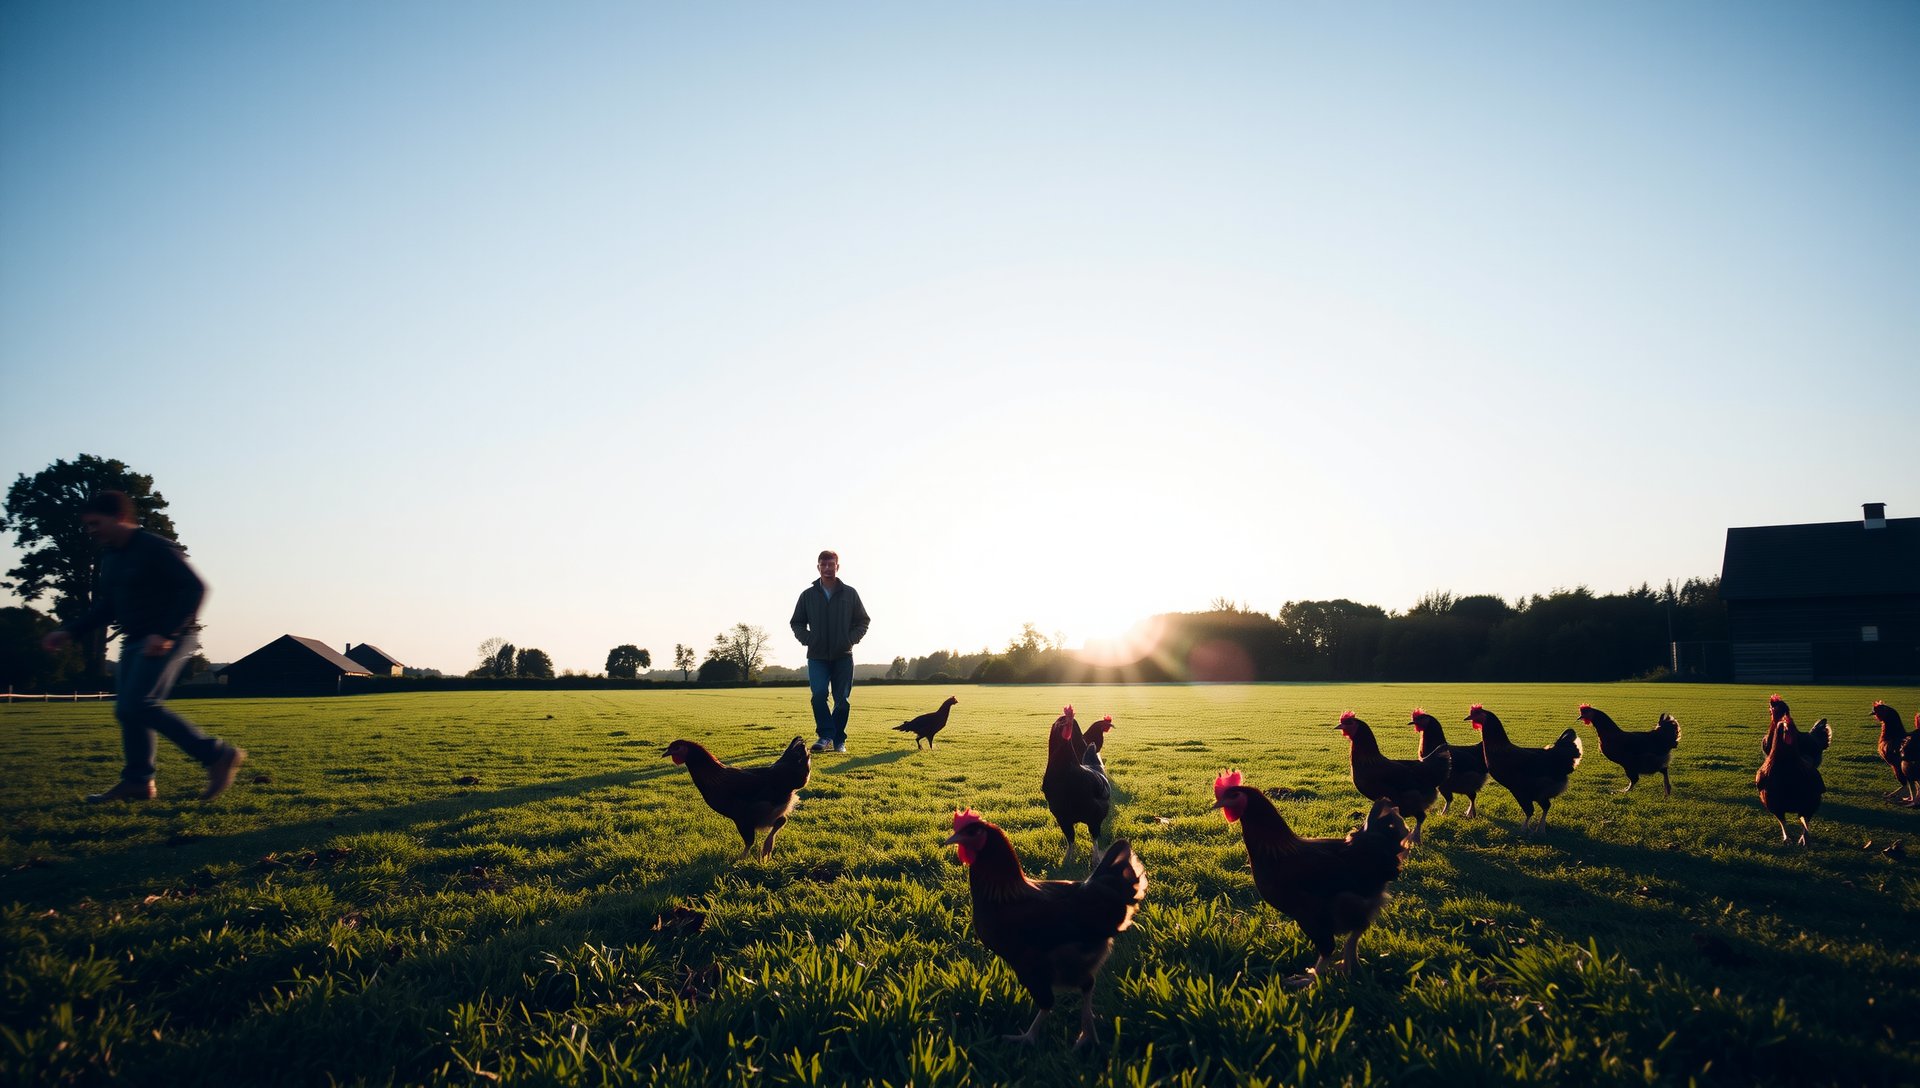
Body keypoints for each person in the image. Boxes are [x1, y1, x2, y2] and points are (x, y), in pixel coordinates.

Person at [42, 490, 246, 802]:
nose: (91, 531)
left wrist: (165, 632)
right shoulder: (111, 557)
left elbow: (195, 588)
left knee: (138, 704)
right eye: (87, 526)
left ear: (120, 518)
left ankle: (217, 754)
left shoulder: (155, 547)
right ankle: (139, 782)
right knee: (129, 711)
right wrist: (69, 631)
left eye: (96, 523)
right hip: (135, 639)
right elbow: (106, 606)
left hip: (172, 637)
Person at [790, 549, 870, 753]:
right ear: (818, 567)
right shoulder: (807, 596)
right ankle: (825, 736)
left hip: (843, 656)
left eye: (831, 564)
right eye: (823, 565)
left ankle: (838, 740)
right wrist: (809, 639)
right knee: (818, 695)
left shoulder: (850, 594)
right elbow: (797, 623)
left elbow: (863, 621)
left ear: (837, 566)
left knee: (842, 700)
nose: (827, 568)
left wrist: (850, 639)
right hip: (817, 657)